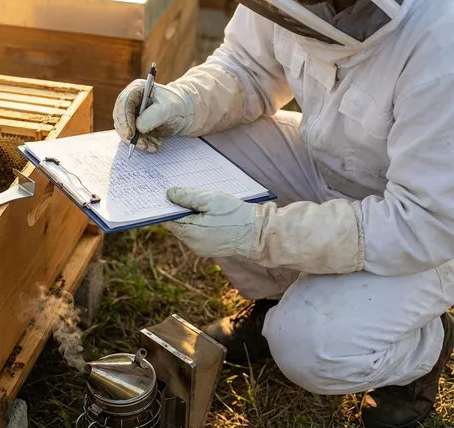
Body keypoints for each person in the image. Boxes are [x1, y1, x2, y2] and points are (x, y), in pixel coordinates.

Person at [112, 0, 454, 426]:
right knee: (181, 147)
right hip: (325, 164)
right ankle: (272, 301)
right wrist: (182, 101)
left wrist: (258, 232)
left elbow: (421, 222)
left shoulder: (442, 45)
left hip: (425, 233)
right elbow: (245, 68)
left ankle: (418, 353)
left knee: (309, 345)